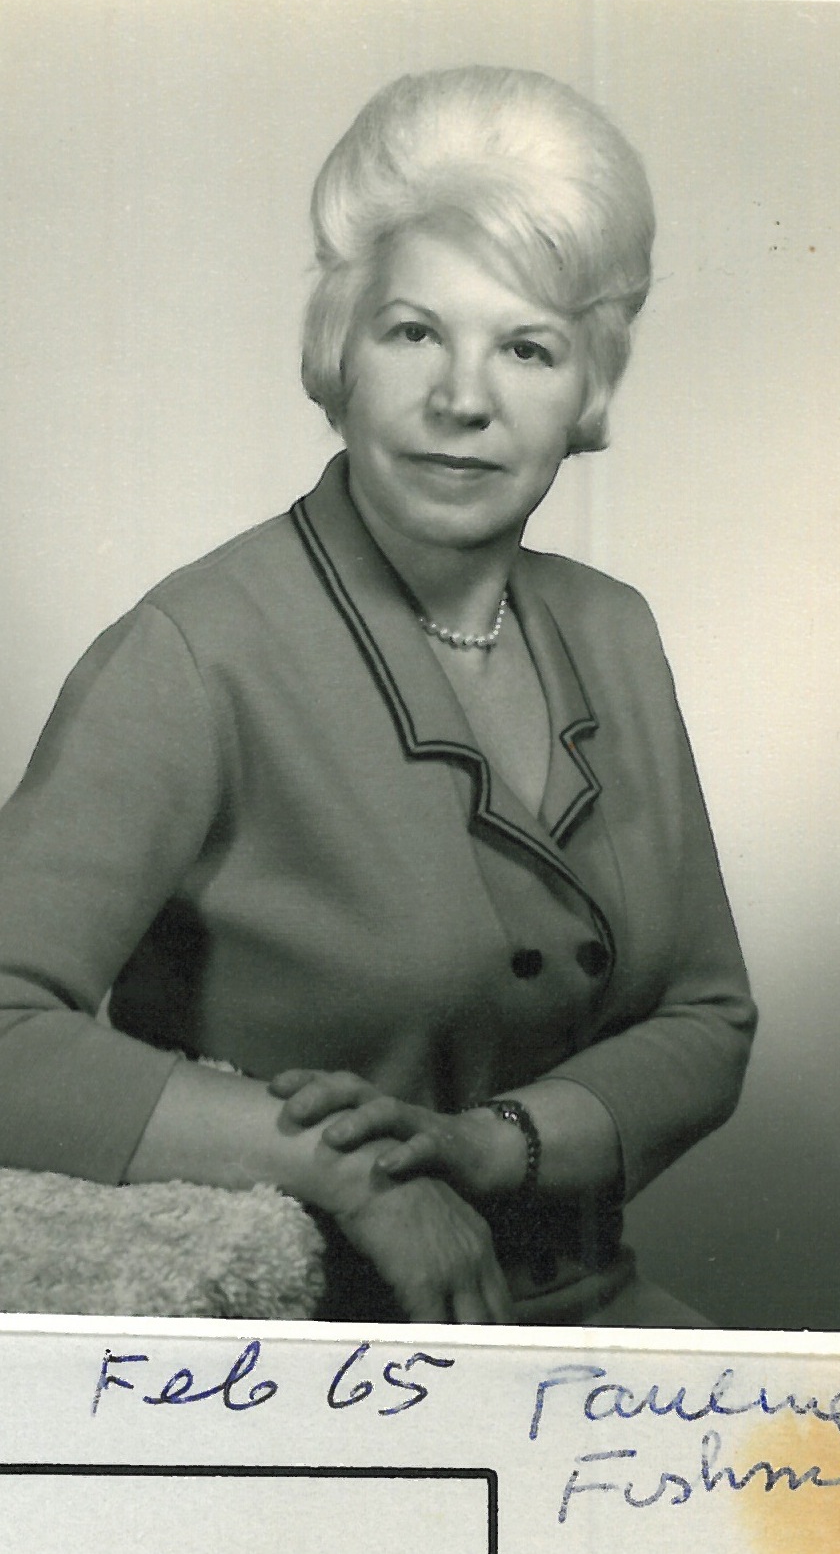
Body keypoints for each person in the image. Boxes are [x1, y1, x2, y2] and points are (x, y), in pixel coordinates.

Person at [0, 66, 757, 1326]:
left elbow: (705, 1015)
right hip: (286, 1332)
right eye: (414, 332)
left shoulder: (613, 631)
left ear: (587, 391)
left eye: (526, 348)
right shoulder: (195, 650)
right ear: (337, 350)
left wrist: (486, 1148)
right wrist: (344, 1168)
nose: (461, 398)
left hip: (581, 1307)